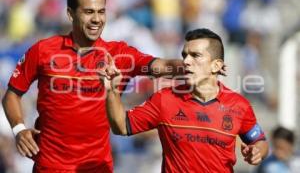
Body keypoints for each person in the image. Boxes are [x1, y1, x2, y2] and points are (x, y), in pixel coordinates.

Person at [1, 0, 187, 173]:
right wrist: (19, 129)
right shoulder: (43, 50)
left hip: (97, 167)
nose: (97, 19)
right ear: (70, 14)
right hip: (50, 167)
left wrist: (196, 66)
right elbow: (12, 94)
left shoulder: (119, 55)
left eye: (101, 11)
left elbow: (163, 66)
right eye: (89, 12)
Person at [103, 28, 269, 172]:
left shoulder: (239, 105)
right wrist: (112, 90)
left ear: (216, 66)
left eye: (195, 55)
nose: (186, 61)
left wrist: (257, 151)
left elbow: (259, 141)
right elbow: (121, 126)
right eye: (184, 55)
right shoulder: (165, 99)